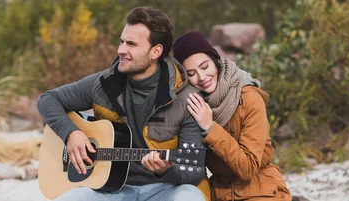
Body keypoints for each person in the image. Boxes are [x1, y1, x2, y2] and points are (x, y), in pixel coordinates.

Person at [36, 7, 208, 201]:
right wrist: (71, 133)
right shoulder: (103, 83)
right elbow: (48, 100)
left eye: (131, 44)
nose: (121, 50)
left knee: (190, 197)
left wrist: (165, 171)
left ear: (156, 51)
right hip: (109, 191)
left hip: (163, 190)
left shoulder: (188, 99)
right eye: (122, 41)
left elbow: (193, 170)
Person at [172, 31, 292, 201]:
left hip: (260, 192)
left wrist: (210, 128)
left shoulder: (249, 98)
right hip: (220, 193)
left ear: (215, 62)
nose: (202, 77)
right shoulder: (193, 105)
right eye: (191, 74)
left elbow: (248, 168)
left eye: (205, 66)